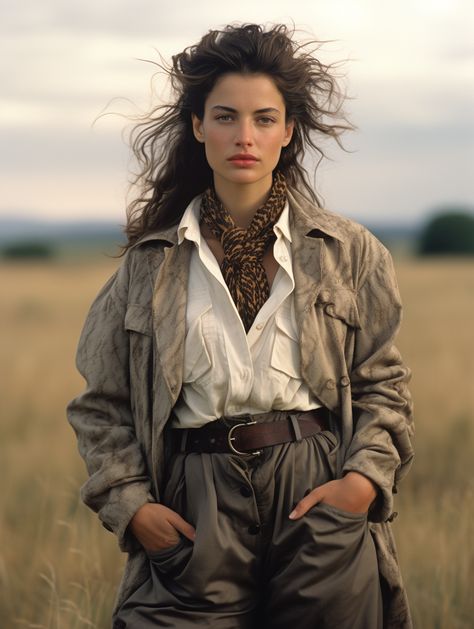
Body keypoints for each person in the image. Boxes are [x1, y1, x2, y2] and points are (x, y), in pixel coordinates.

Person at [67, 23, 414, 629]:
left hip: (316, 491)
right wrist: (132, 505)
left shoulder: (350, 252)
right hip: (194, 503)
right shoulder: (149, 265)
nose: (244, 136)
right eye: (225, 117)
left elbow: (383, 385)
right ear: (198, 127)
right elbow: (101, 404)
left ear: (288, 131)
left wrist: (360, 484)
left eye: (263, 118)